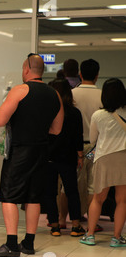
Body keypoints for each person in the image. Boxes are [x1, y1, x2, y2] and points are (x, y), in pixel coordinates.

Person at [0, 53, 64, 257]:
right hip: (41, 150)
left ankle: (11, 244)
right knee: (33, 196)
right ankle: (28, 243)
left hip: (20, 150)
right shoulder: (54, 94)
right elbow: (56, 129)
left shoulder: (20, 90)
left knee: (9, 195)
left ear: (27, 69)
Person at [80, 78, 126, 247]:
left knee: (98, 199)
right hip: (124, 158)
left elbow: (93, 140)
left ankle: (90, 235)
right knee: (122, 200)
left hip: (104, 158)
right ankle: (116, 238)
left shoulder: (98, 115)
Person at [63, 59, 101, 226]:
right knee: (93, 185)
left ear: (80, 74)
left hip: (73, 146)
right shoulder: (102, 95)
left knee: (69, 185)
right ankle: (92, 221)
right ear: (97, 76)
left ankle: (61, 219)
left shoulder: (72, 94)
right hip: (95, 146)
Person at [44, 78, 85, 237]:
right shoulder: (75, 113)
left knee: (50, 192)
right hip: (68, 158)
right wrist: (80, 155)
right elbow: (78, 136)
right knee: (72, 191)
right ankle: (75, 226)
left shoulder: (47, 112)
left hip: (48, 157)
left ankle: (54, 226)